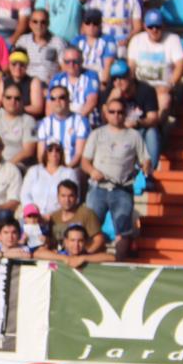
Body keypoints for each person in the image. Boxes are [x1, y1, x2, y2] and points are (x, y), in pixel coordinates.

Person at [80, 98, 148, 257]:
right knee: (91, 229)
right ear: (106, 112)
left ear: (125, 114)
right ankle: (92, 260)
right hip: (98, 187)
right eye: (112, 111)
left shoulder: (134, 136)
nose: (116, 115)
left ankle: (119, 265)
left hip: (122, 188)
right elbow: (84, 161)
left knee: (123, 230)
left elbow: (145, 159)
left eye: (120, 112)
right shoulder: (97, 134)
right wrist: (92, 171)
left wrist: (145, 166)